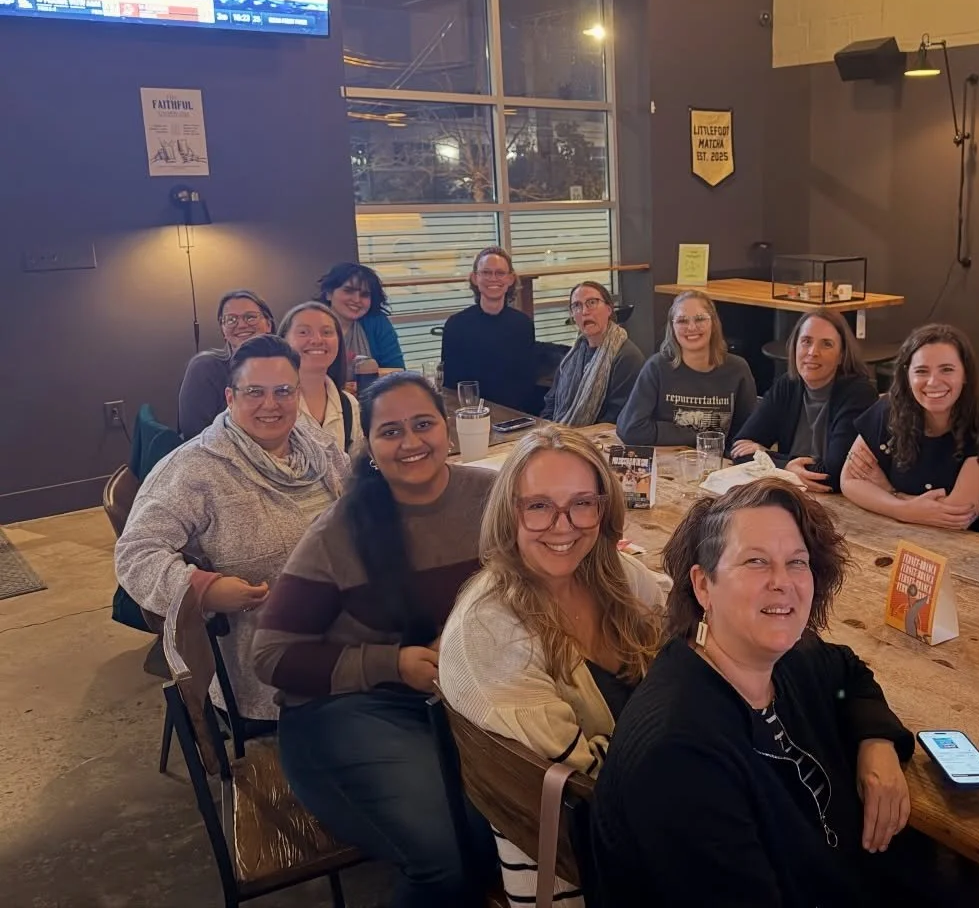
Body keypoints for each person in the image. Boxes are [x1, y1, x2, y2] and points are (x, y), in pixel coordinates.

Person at [591, 478, 924, 908]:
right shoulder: (680, 757)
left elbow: (849, 674)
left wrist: (876, 744)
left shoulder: (783, 659)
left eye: (797, 562)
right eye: (755, 562)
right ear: (703, 585)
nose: (782, 582)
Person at [253, 374, 498, 907]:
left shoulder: (492, 496)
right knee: (449, 856)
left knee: (515, 828)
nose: (411, 442)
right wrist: (391, 663)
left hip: (457, 697)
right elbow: (270, 656)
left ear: (447, 427)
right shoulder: (339, 531)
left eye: (423, 424)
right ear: (368, 445)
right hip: (345, 710)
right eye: (390, 431)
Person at [439, 426, 666, 905]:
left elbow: (696, 652)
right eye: (539, 505)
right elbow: (584, 782)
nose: (564, 526)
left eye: (583, 503)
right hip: (584, 863)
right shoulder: (491, 626)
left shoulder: (618, 578)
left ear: (604, 509)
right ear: (509, 512)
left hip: (650, 826)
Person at [116, 336, 347, 729]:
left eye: (283, 392)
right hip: (268, 669)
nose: (270, 404)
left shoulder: (316, 446)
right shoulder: (196, 468)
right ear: (229, 396)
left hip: (352, 635)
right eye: (254, 391)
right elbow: (136, 554)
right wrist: (204, 589)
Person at [840, 323, 979, 532]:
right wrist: (903, 509)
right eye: (922, 371)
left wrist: (890, 493)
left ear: (965, 374)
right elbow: (850, 480)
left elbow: (959, 515)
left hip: (971, 550)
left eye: (947, 370)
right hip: (895, 538)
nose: (933, 382)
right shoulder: (889, 408)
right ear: (908, 376)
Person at [731, 309, 878, 492]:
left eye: (826, 344)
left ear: (841, 355)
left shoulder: (859, 394)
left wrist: (768, 458)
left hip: (843, 503)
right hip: (791, 493)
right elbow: (739, 449)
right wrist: (787, 468)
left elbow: (834, 473)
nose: (812, 352)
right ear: (795, 347)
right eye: (806, 341)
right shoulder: (789, 384)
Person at [616, 291, 757, 447]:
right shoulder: (656, 367)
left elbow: (747, 435)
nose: (691, 327)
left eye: (700, 319)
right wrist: (699, 438)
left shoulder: (738, 369)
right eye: (682, 321)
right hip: (667, 463)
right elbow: (629, 429)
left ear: (714, 323)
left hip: (719, 465)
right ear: (672, 327)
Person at [440, 247, 537, 412]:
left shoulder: (523, 324)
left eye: (500, 273)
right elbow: (450, 387)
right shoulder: (456, 325)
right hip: (471, 414)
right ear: (475, 278)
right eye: (486, 272)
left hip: (515, 416)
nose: (493, 279)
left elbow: (527, 383)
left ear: (510, 279)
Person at [542, 281, 644, 426]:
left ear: (609, 309)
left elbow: (616, 417)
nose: (584, 311)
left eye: (592, 302)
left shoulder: (627, 357)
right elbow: (551, 402)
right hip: (560, 435)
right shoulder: (572, 356)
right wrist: (547, 429)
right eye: (577, 306)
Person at [177, 289, 276, 439]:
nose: (241, 325)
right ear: (223, 331)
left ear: (268, 324)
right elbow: (195, 433)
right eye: (231, 319)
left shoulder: (284, 367)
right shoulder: (204, 367)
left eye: (250, 317)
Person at [278, 301, 360, 455]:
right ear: (284, 340)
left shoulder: (349, 405)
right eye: (303, 332)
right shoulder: (263, 404)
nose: (317, 340)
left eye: (327, 332)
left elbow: (356, 471)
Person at [318, 262, 405, 378]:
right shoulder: (310, 322)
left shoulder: (377, 322)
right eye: (348, 291)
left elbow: (397, 372)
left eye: (364, 294)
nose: (356, 299)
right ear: (328, 293)